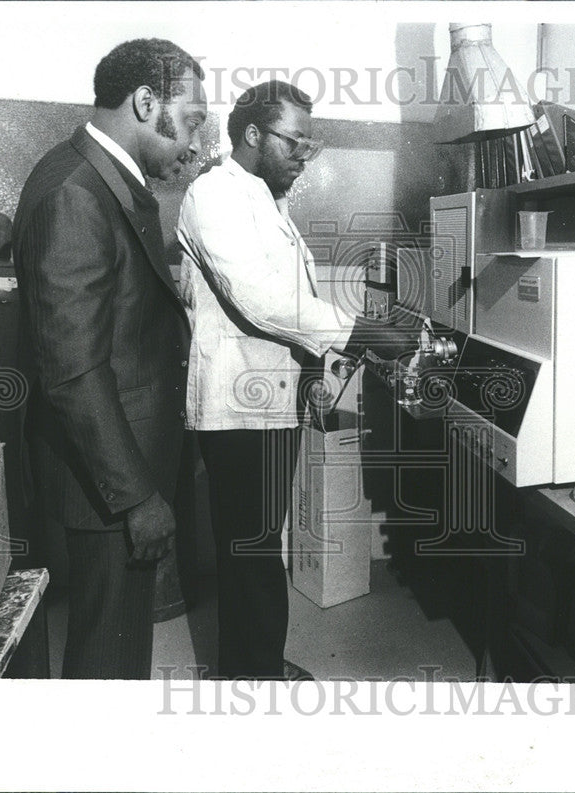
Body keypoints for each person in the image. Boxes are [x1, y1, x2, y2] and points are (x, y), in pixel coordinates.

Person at [176, 80, 419, 679]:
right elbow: (260, 301)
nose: (303, 158)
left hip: (269, 398)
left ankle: (250, 665)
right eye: (294, 142)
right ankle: (253, 679)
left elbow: (295, 298)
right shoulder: (214, 195)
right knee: (253, 549)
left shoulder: (265, 199)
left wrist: (314, 369)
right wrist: (359, 333)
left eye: (310, 146)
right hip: (238, 405)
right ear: (253, 135)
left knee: (257, 545)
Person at [12, 39, 208, 679]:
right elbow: (72, 370)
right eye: (194, 118)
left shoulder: (104, 178)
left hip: (116, 468)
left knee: (116, 650)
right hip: (108, 488)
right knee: (108, 658)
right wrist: (137, 500)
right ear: (147, 102)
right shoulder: (76, 189)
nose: (195, 143)